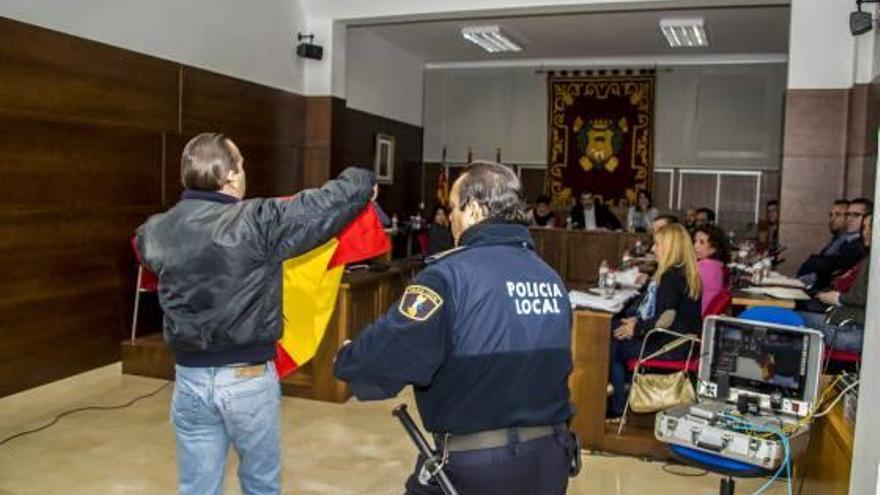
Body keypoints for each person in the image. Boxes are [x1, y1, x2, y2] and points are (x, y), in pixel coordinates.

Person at [135, 133, 376, 495]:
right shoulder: (257, 221)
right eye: (242, 164)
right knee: (260, 484)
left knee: (197, 487)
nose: (244, 171)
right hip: (246, 378)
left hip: (188, 379)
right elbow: (321, 206)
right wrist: (362, 179)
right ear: (230, 175)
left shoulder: (154, 231)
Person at [334, 161, 576, 495]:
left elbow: (395, 348)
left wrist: (348, 357)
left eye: (453, 208)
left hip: (477, 467)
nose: (449, 219)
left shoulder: (449, 276)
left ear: (474, 210)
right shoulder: (550, 278)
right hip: (551, 460)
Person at [608, 223, 702, 418]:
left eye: (657, 244)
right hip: (683, 342)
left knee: (613, 343)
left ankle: (618, 406)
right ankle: (621, 392)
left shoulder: (670, 276)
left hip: (670, 346)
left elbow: (667, 318)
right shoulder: (686, 272)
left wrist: (637, 328)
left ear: (670, 247)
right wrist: (636, 322)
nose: (652, 249)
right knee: (616, 328)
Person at [800, 213, 872, 352]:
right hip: (847, 323)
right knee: (791, 323)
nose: (866, 232)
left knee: (793, 320)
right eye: (864, 228)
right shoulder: (869, 256)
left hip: (856, 332)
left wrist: (837, 298)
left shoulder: (871, 259)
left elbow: (865, 298)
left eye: (871, 227)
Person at [798, 198, 871, 291]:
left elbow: (830, 268)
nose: (849, 219)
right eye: (848, 215)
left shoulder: (861, 245)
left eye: (856, 215)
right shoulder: (845, 240)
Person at [693, 224, 730, 315]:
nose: (695, 246)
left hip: (695, 318)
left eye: (701, 242)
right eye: (695, 241)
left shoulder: (705, 266)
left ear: (714, 248)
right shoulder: (717, 265)